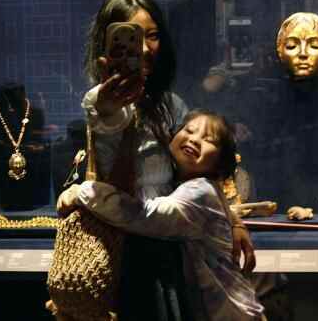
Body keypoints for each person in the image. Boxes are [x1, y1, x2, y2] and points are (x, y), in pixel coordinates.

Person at [74, 0, 255, 320]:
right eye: (131, 37)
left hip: (166, 244)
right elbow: (109, 153)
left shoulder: (170, 104)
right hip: (118, 245)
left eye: (153, 35)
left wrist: (232, 219)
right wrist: (110, 108)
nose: (144, 48)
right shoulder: (100, 101)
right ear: (108, 42)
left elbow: (198, 174)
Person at [62, 110, 266, 321]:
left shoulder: (201, 192)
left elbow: (143, 215)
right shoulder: (192, 187)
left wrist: (83, 192)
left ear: (221, 163)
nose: (194, 139)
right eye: (189, 131)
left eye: (209, 140)